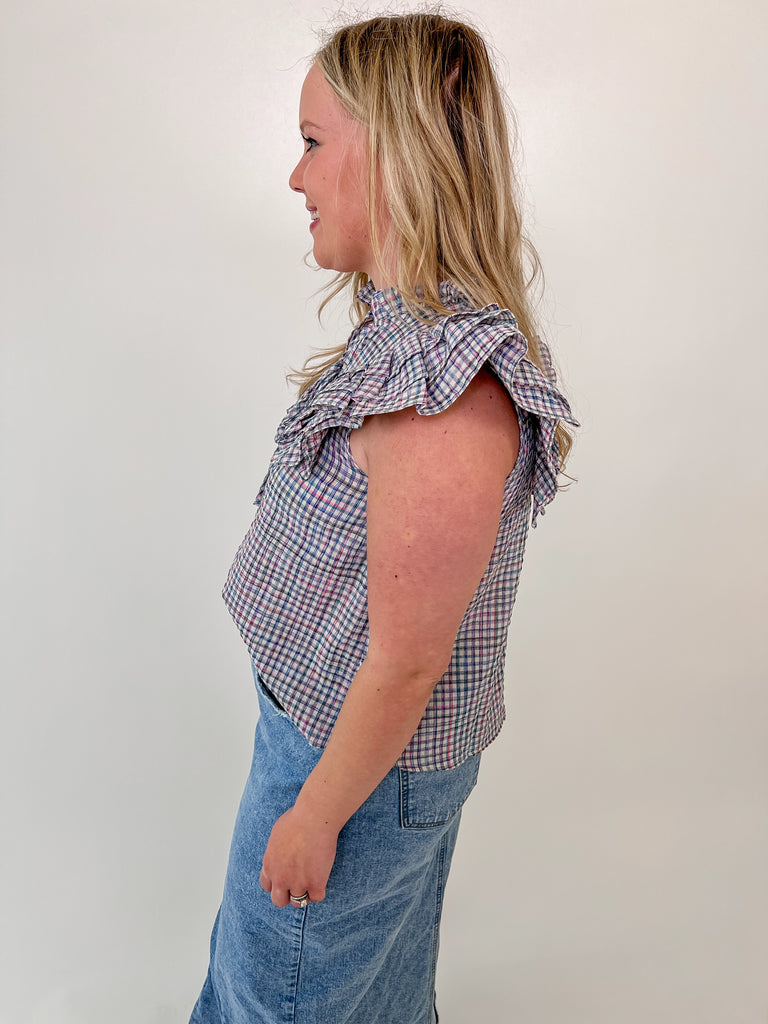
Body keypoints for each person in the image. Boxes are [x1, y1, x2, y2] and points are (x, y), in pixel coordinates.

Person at [190, 11, 577, 1024]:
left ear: (396, 160)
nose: (295, 176)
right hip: (332, 746)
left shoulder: (439, 394)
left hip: (347, 771)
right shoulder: (406, 344)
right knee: (357, 997)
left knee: (276, 999)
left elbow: (407, 662)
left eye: (315, 143)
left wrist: (316, 810)